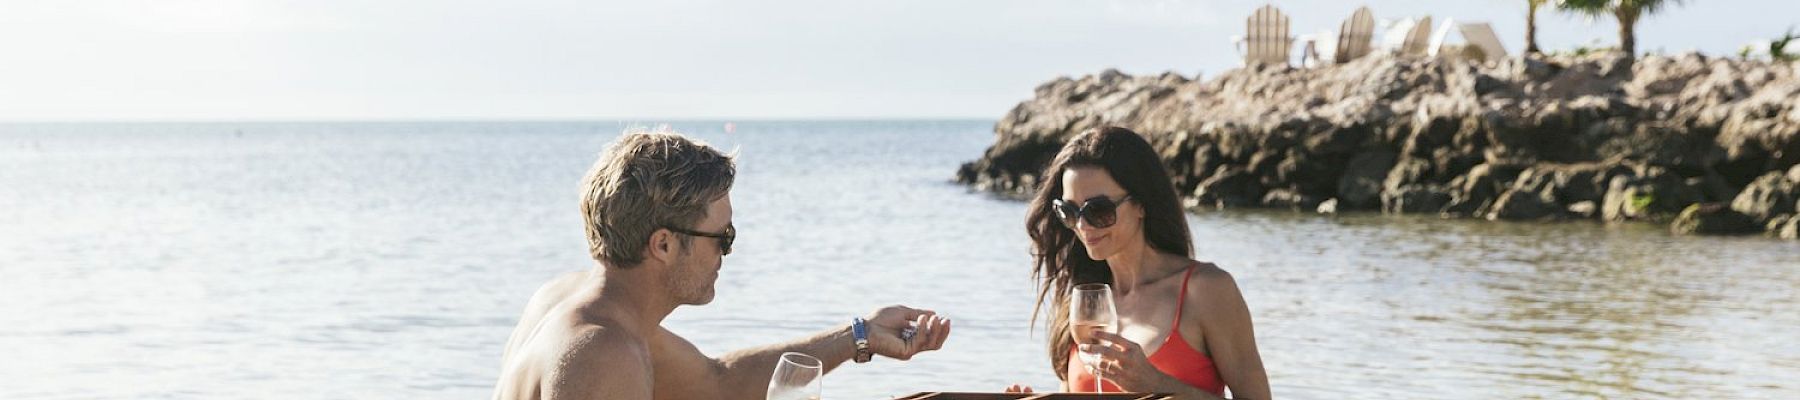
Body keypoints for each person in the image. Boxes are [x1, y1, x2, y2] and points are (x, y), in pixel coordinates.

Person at [493, 131, 952, 400]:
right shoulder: (604, 354)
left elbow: (717, 383)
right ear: (664, 245)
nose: (726, 254)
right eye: (722, 238)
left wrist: (860, 335)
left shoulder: (583, 305)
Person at [1005, 127, 1270, 399]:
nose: (1083, 226)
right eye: (1070, 211)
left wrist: (1157, 385)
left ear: (1141, 204)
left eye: (1099, 209)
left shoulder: (1207, 290)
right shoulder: (1084, 304)